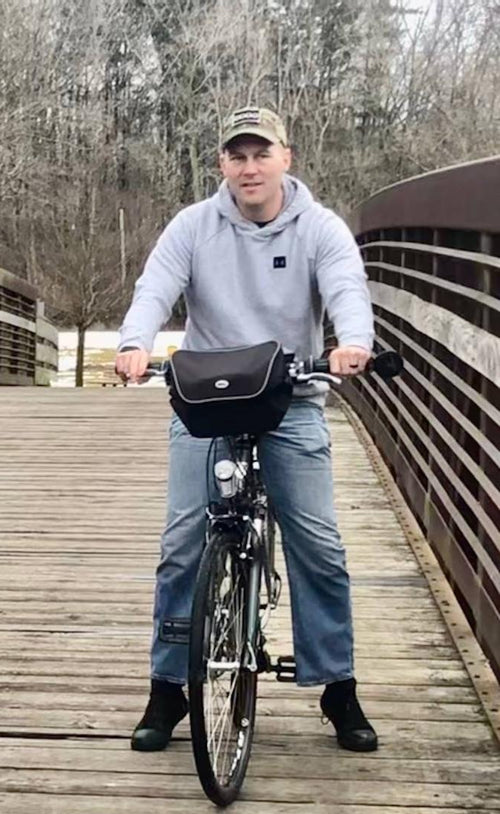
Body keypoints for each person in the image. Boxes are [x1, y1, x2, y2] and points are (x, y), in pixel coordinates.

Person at [114, 106, 378, 753]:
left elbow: (345, 286)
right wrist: (133, 341)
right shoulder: (194, 227)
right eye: (237, 156)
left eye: (261, 153)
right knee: (182, 540)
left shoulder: (318, 229)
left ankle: (336, 683)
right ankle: (169, 685)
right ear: (221, 165)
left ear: (286, 157)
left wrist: (354, 340)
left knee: (317, 544)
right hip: (207, 401)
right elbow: (156, 286)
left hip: (291, 397)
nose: (249, 167)